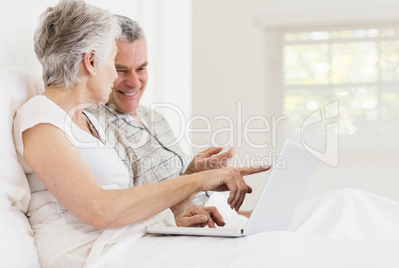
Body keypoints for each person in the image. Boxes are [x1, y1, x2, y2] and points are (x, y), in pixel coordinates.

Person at [12, 0, 269, 267]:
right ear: (90, 61)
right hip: (88, 256)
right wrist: (197, 181)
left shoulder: (86, 119)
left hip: (128, 243)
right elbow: (97, 209)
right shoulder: (40, 116)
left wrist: (172, 220)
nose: (116, 75)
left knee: (260, 246)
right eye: (114, 61)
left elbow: (122, 209)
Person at [87, 15, 249, 217]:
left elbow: (191, 189)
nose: (135, 82)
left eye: (141, 68)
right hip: (186, 227)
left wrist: (198, 174)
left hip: (219, 212)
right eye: (121, 70)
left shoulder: (154, 117)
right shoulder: (93, 126)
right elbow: (129, 213)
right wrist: (195, 180)